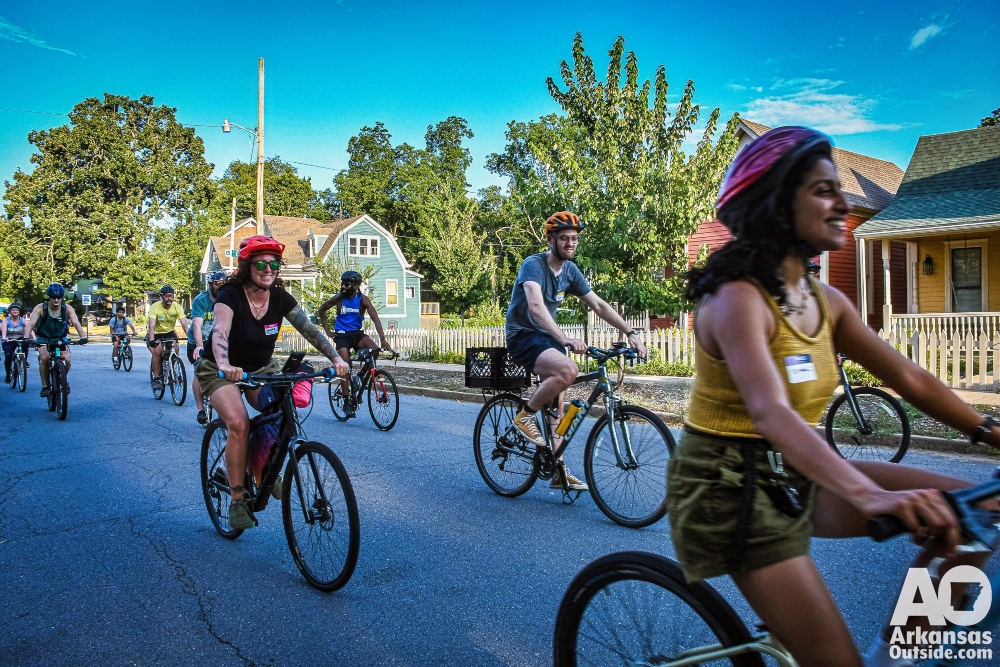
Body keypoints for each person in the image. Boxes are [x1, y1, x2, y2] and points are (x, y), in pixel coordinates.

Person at [673, 126, 1000, 667]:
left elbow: (912, 378)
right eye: (824, 190)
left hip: (798, 472)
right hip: (728, 489)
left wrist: (988, 432)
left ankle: (896, 656)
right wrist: (869, 495)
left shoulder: (825, 302)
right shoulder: (737, 299)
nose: (843, 203)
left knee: (978, 513)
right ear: (778, 205)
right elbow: (770, 410)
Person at [196, 235, 348, 531]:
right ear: (246, 266)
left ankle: (262, 466)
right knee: (239, 423)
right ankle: (238, 500)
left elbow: (309, 329)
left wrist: (335, 359)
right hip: (220, 369)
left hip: (261, 368)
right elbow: (220, 332)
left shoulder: (279, 296)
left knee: (278, 407)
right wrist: (225, 364)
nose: (269, 269)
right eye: (261, 263)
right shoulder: (230, 295)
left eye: (274, 263)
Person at [504, 211, 648, 492]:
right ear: (551, 239)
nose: (571, 243)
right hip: (523, 336)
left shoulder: (570, 271)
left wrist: (630, 333)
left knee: (558, 410)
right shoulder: (532, 266)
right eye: (565, 239)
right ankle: (524, 416)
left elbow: (599, 305)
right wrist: (565, 338)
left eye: (575, 239)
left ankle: (558, 471)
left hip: (548, 341)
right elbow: (535, 307)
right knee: (568, 370)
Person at [317, 270, 396, 417]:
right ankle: (347, 401)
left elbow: (375, 318)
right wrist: (327, 330)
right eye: (343, 283)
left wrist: (383, 338)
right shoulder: (339, 298)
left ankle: (360, 376)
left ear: (355, 286)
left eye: (346, 284)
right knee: (345, 367)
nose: (343, 287)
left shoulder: (362, 299)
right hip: (342, 336)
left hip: (357, 333)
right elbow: (321, 310)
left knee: (374, 350)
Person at [25, 284, 88, 397]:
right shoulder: (40, 308)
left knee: (67, 360)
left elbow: (76, 322)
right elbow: (31, 324)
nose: (56, 300)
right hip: (44, 338)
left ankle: (62, 379)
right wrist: (26, 338)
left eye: (59, 297)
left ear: (62, 297)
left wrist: (83, 337)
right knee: (44, 358)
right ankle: (45, 386)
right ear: (49, 297)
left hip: (60, 338)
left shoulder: (67, 308)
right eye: (53, 297)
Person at [188, 270, 226, 424]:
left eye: (223, 283)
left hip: (218, 341)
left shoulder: (228, 299)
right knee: (200, 371)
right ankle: (201, 410)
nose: (220, 287)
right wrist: (199, 346)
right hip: (199, 341)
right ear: (210, 284)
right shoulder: (201, 300)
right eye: (217, 283)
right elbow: (197, 325)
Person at [146, 285, 189, 390]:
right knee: (158, 352)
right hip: (156, 333)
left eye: (171, 296)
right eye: (167, 296)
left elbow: (184, 324)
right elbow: (151, 325)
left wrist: (191, 337)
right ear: (162, 297)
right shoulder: (155, 307)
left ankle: (173, 370)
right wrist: (152, 339)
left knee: (176, 348)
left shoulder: (177, 307)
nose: (169, 298)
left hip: (169, 332)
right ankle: (156, 378)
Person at [1, 303, 29, 383]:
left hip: (19, 338)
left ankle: (24, 361)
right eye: (13, 310)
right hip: (8, 339)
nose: (15, 311)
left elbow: (28, 329)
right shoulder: (6, 320)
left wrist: (33, 337)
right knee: (8, 356)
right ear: (10, 312)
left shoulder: (23, 320)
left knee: (25, 343)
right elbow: (4, 330)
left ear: (19, 312)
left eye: (16, 310)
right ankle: (8, 374)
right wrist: (4, 337)